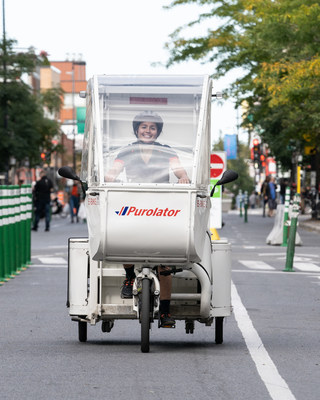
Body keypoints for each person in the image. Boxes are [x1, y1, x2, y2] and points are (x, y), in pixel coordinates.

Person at [106, 111, 190, 328]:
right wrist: (107, 179)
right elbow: (113, 172)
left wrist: (184, 177)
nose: (148, 131)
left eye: (153, 128)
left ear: (158, 132)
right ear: (137, 130)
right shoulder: (127, 151)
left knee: (165, 263)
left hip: (160, 204)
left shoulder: (166, 151)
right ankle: (128, 276)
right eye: (144, 127)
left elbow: (179, 170)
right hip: (134, 202)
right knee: (123, 234)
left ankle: (164, 312)